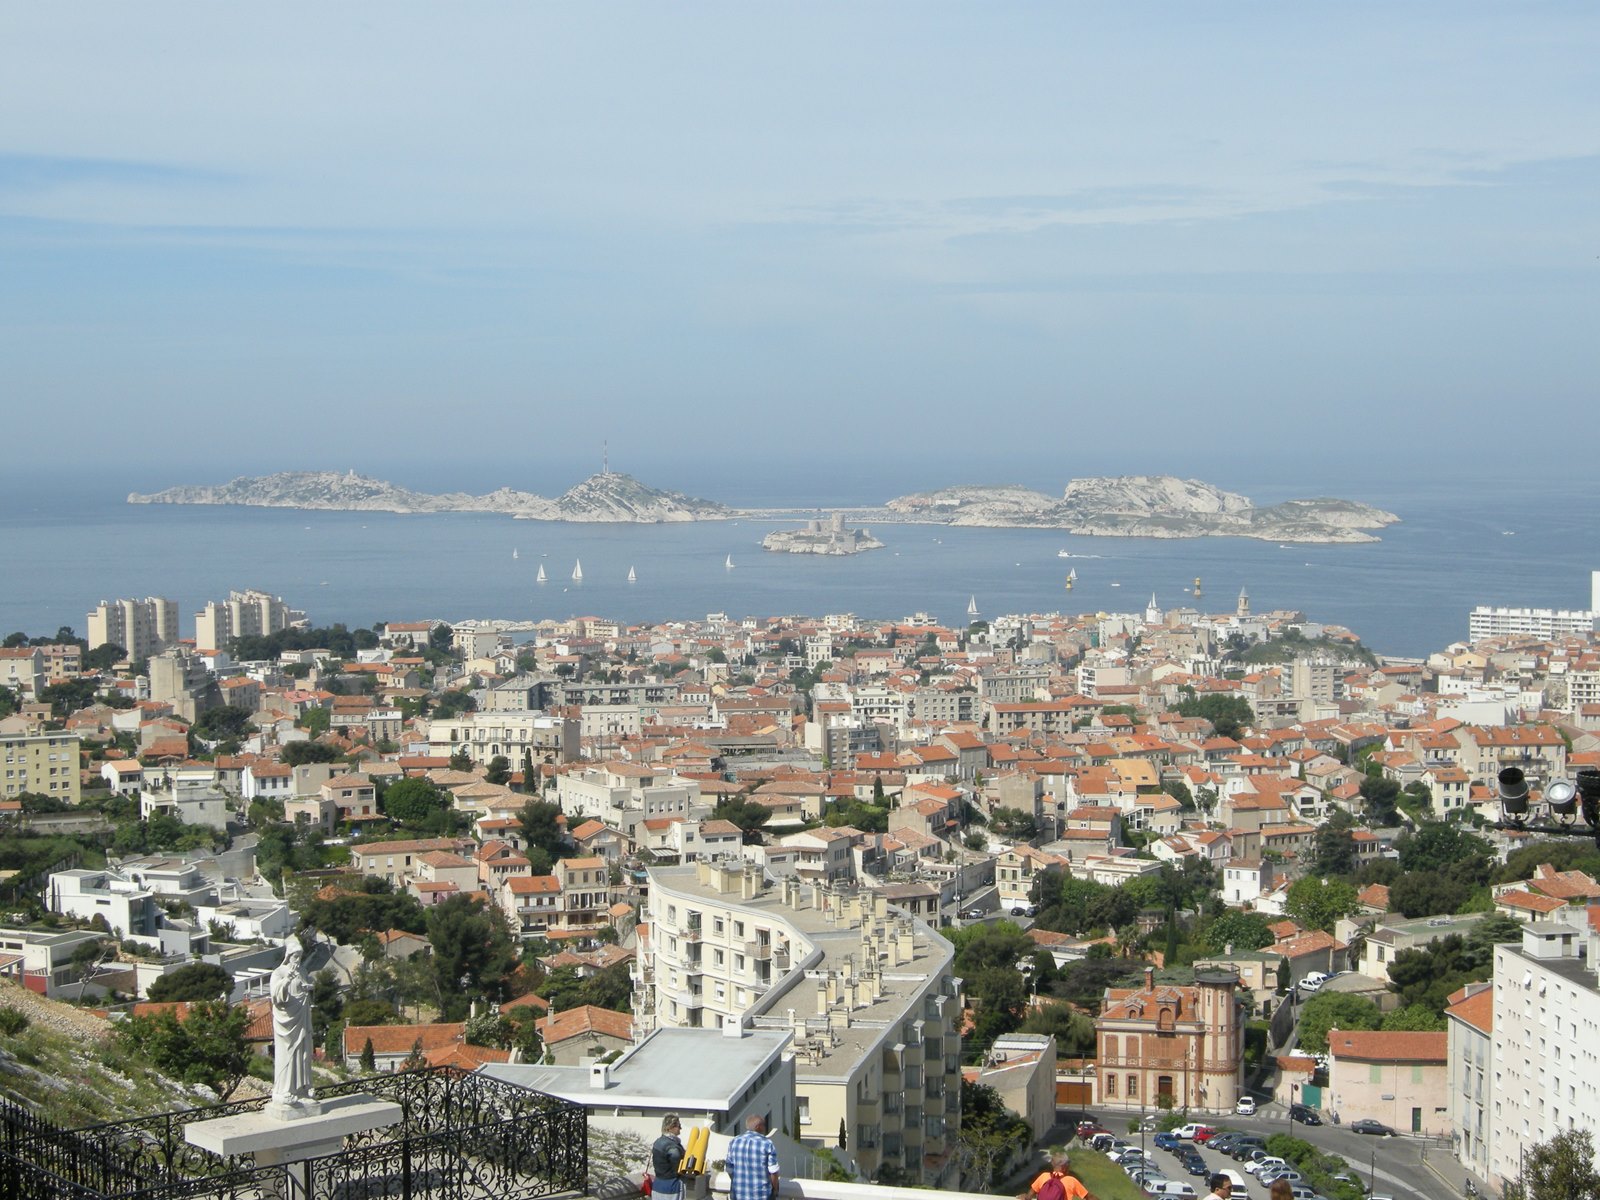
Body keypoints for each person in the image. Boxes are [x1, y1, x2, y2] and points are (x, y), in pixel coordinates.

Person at [269, 934, 313, 1109]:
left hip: (301, 1016)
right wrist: (287, 980)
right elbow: (275, 996)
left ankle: (302, 1090)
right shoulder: (278, 972)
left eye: (300, 956)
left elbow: (303, 988)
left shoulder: (303, 971)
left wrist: (307, 987)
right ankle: (285, 1090)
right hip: (286, 1020)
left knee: (303, 1053)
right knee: (287, 1054)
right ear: (288, 956)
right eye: (295, 956)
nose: (298, 960)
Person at [727, 1115, 779, 1200]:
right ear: (758, 1127)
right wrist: (775, 1190)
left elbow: (729, 1169)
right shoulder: (767, 1143)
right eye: (764, 1125)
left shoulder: (734, 1142)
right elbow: (773, 1172)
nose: (765, 1128)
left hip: (738, 1195)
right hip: (761, 1195)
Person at [650, 1115, 686, 1197]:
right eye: (679, 1126)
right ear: (670, 1127)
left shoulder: (658, 1142)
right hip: (672, 1187)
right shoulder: (672, 1146)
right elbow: (677, 1166)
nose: (680, 1128)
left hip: (657, 1185)